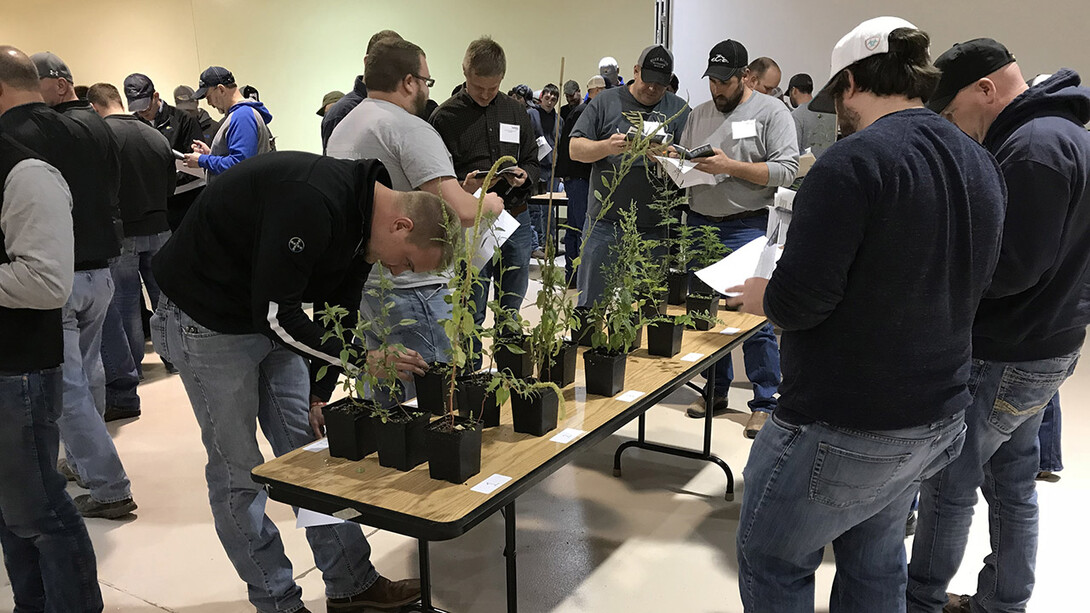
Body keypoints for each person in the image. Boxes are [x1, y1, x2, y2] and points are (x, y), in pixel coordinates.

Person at [727, 18, 1006, 611]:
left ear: (849, 82)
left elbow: (802, 301)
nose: (838, 112)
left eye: (837, 99)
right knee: (876, 563)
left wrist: (763, 297)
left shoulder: (851, 163)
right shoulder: (980, 163)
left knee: (773, 561)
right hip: (937, 415)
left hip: (844, 421)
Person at [151, 151, 450, 613]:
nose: (399, 273)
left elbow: (342, 309)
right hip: (205, 316)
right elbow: (277, 316)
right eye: (408, 262)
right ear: (402, 227)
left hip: (261, 311)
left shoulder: (367, 212)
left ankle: (353, 585)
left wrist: (319, 392)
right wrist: (362, 360)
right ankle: (277, 601)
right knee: (240, 471)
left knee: (310, 454)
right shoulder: (312, 200)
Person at [907, 39, 1090, 613]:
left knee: (948, 480)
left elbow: (1012, 267)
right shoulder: (1062, 133)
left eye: (954, 112)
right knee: (1012, 482)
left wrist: (937, 276)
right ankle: (1004, 601)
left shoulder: (1034, 148)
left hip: (1011, 347)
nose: (958, 129)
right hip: (1046, 340)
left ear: (985, 90)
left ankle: (921, 600)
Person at [326, 37, 503, 404]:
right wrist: (492, 203)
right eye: (426, 80)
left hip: (368, 283)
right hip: (415, 286)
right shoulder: (409, 129)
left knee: (386, 397)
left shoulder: (346, 125)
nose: (426, 88)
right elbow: (461, 211)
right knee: (433, 401)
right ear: (409, 81)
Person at [0, 50, 103, 609]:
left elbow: (43, 283)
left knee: (37, 509)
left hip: (17, 369)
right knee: (11, 514)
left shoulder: (26, 171)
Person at [17, 50, 138, 520]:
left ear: (61, 83)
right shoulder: (97, 128)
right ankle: (86, 465)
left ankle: (109, 485)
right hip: (99, 267)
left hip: (60, 274)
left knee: (67, 387)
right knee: (86, 374)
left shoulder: (32, 133)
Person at [677, 39, 799, 439]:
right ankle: (714, 390)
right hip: (699, 222)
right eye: (712, 80)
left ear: (745, 76)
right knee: (704, 314)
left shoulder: (771, 111)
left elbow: (786, 169)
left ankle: (765, 401)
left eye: (725, 81)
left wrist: (730, 166)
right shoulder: (698, 114)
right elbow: (687, 157)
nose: (717, 89)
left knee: (752, 318)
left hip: (746, 227)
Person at [430, 36, 539, 369]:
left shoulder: (517, 111)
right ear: (465, 74)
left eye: (493, 88)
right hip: (471, 225)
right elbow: (434, 176)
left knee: (511, 307)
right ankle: (470, 378)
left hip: (515, 220)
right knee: (471, 309)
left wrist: (525, 176)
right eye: (478, 87)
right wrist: (464, 185)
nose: (485, 94)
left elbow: (535, 160)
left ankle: (506, 375)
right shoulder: (444, 117)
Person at [570, 44, 690, 306]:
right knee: (591, 306)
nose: (652, 89)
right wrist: (606, 147)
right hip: (605, 223)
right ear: (636, 71)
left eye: (660, 84)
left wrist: (669, 157)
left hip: (655, 229)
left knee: (647, 312)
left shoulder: (679, 110)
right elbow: (575, 149)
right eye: (648, 81)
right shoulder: (605, 101)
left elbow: (691, 166)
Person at [87, 83, 177, 420]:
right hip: (161, 226)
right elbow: (170, 183)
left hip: (124, 232)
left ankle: (133, 371)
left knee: (125, 306)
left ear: (95, 106)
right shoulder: (154, 135)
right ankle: (175, 358)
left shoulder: (102, 137)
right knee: (167, 300)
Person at [124, 74, 205, 232]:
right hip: (154, 204)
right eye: (137, 108)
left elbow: (198, 162)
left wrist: (166, 180)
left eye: (145, 106)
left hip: (186, 198)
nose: (142, 111)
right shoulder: (132, 124)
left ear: (156, 96)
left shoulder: (183, 119)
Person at [181, 66, 272, 180]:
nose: (209, 103)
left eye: (208, 96)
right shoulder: (241, 115)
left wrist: (202, 160)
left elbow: (240, 165)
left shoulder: (242, 116)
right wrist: (211, 154)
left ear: (221, 89)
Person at [555, 75, 604, 286]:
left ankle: (573, 276)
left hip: (575, 177)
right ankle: (580, 276)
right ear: (597, 91)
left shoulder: (580, 111)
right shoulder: (586, 112)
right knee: (583, 228)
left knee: (575, 227)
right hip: (579, 177)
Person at [321, 29, 402, 152]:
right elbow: (335, 167)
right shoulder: (342, 112)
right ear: (367, 61)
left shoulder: (401, 108)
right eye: (388, 62)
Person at [527, 82, 564, 254]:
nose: (550, 102)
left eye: (554, 99)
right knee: (534, 208)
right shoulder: (531, 115)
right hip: (536, 167)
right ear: (541, 98)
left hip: (553, 169)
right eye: (547, 98)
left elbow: (561, 144)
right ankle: (534, 245)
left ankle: (549, 243)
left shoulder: (559, 120)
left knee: (550, 210)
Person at [787, 73, 837, 158]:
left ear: (794, 90)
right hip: (830, 165)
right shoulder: (831, 112)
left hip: (808, 168)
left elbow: (794, 152)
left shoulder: (796, 115)